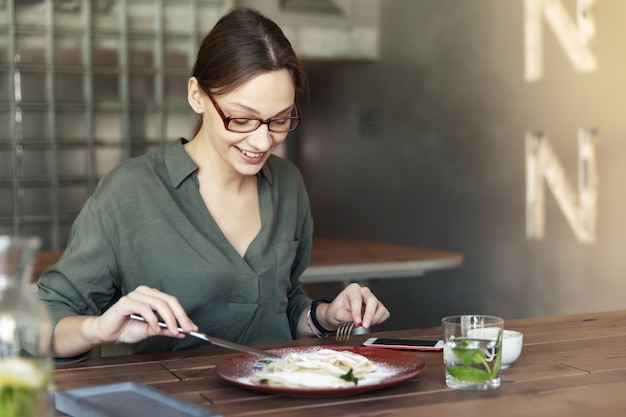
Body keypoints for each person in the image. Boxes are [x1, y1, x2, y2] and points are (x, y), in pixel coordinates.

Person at [37, 7, 390, 360]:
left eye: (280, 120)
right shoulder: (130, 192)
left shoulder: (287, 183)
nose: (262, 141)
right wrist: (96, 327)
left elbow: (278, 305)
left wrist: (325, 316)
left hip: (278, 393)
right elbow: (41, 324)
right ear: (197, 96)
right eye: (241, 119)